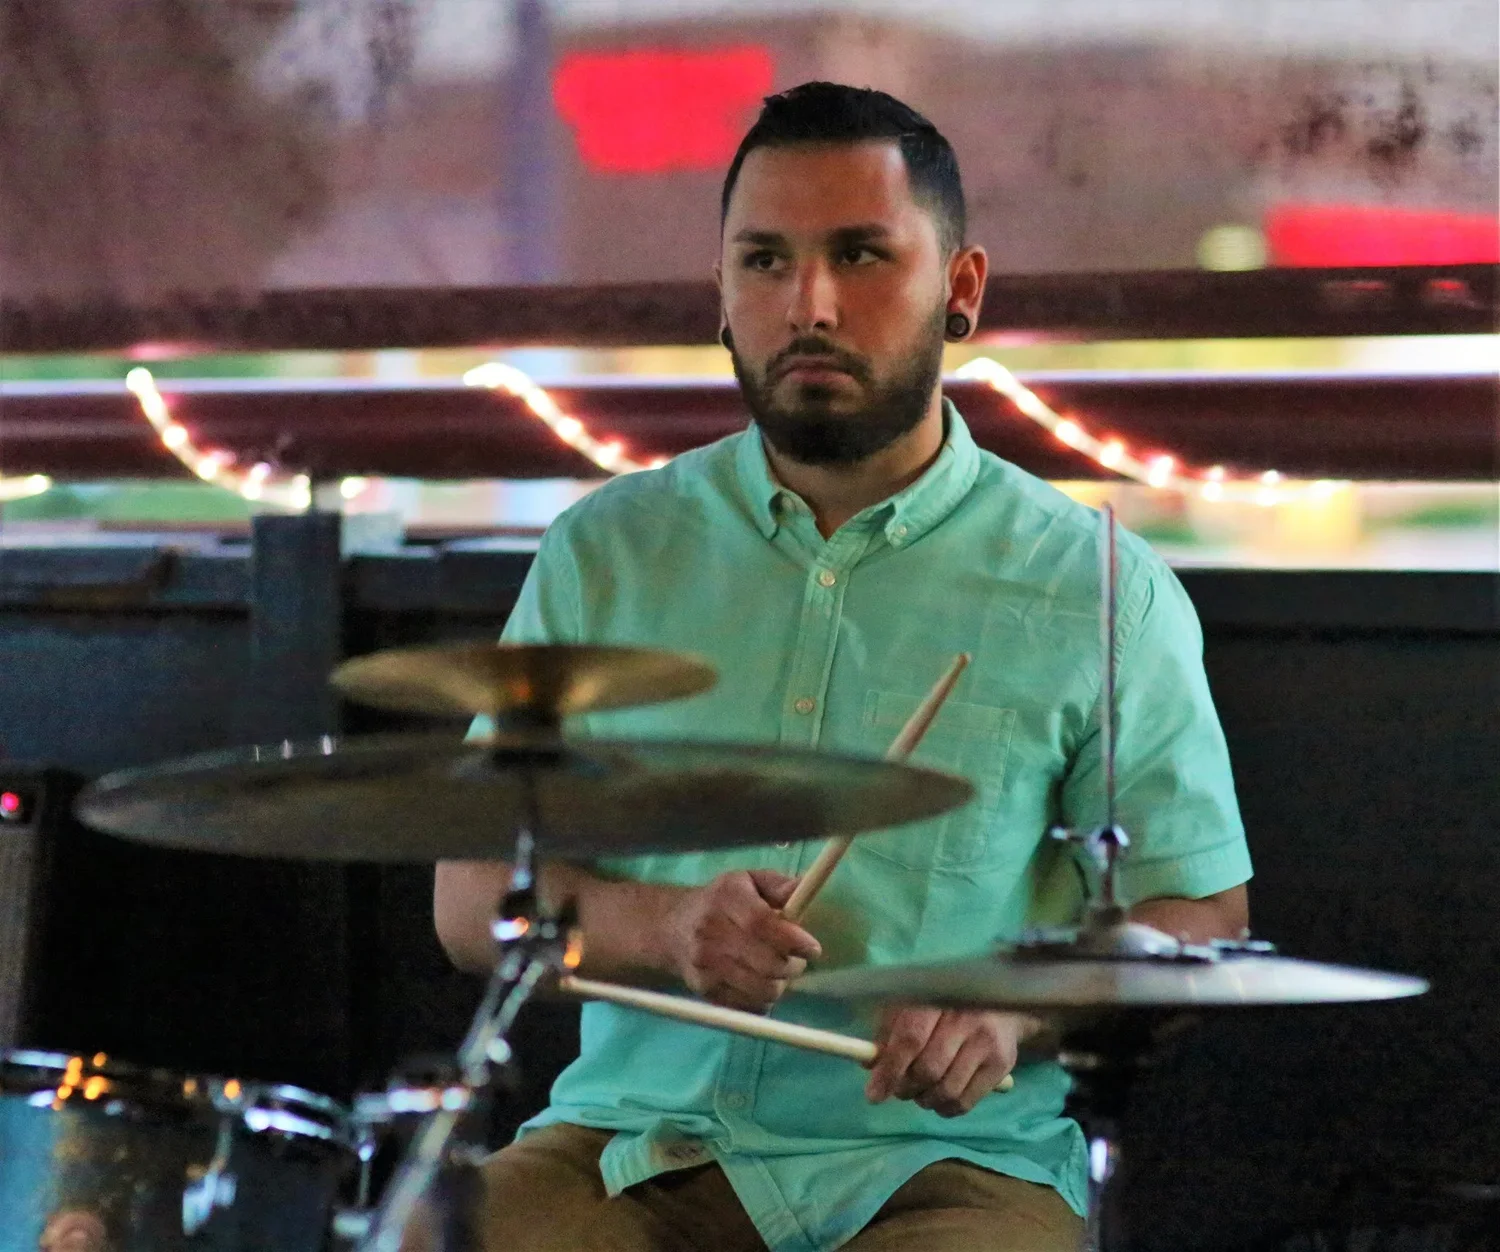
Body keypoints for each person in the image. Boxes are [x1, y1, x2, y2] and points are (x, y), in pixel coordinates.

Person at [434, 82, 1251, 1252]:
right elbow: (474, 897)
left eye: (861, 255)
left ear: (960, 288)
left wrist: (1013, 1009)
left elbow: (1201, 909)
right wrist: (663, 927)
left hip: (951, 1168)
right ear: (720, 290)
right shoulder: (606, 553)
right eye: (764, 261)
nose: (807, 304)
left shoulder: (1102, 588)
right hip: (632, 1147)